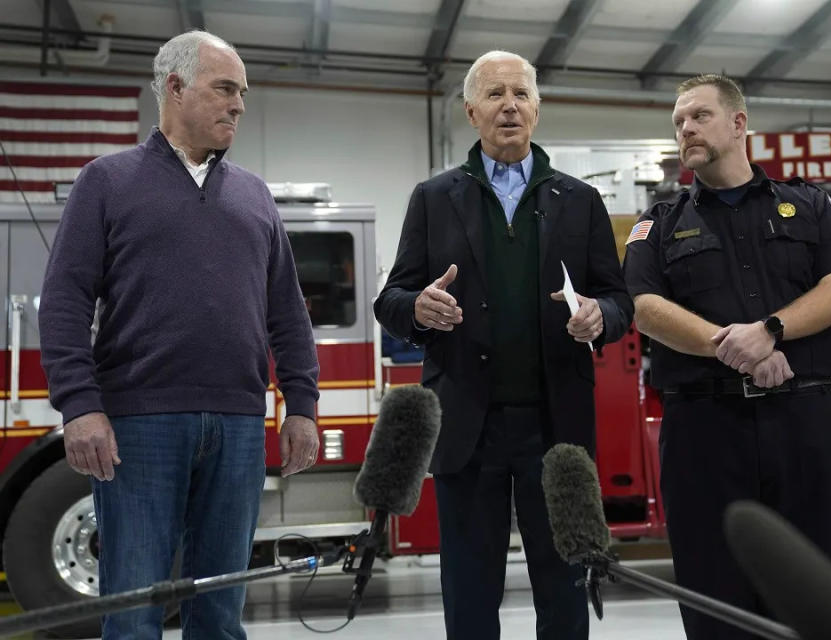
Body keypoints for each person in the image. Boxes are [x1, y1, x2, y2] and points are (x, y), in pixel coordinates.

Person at [38, 30, 320, 639]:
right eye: (224, 88)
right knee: (135, 609)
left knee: (220, 612)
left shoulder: (255, 196)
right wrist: (80, 407)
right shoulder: (106, 182)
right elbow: (63, 301)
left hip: (240, 426)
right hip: (139, 425)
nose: (239, 104)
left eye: (242, 92)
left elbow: (287, 312)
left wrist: (302, 404)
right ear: (174, 86)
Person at [374, 50, 632, 640]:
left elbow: (620, 300)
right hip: (468, 424)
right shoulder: (434, 198)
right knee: (469, 591)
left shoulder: (581, 200)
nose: (509, 105)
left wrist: (601, 316)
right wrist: (416, 308)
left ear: (537, 109)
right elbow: (389, 299)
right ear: (470, 111)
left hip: (557, 425)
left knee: (567, 584)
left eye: (520, 94)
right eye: (494, 94)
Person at [622, 73, 831, 640]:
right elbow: (647, 308)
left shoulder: (808, 205)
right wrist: (734, 347)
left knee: (807, 589)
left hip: (801, 421)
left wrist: (772, 331)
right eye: (678, 121)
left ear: (738, 124)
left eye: (698, 116)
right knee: (713, 596)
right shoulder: (658, 224)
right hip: (705, 429)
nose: (685, 128)